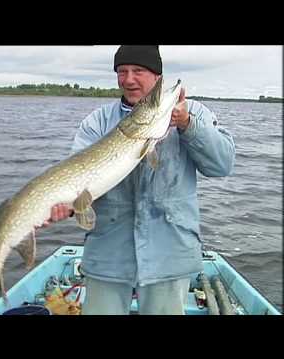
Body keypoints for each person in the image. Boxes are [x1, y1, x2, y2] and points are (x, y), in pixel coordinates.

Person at [43, 45, 236, 315]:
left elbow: (222, 164)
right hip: (108, 254)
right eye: (122, 71)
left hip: (170, 253)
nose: (129, 79)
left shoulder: (194, 114)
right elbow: (78, 178)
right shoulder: (98, 122)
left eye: (138, 71)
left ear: (157, 76)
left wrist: (187, 124)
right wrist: (68, 205)